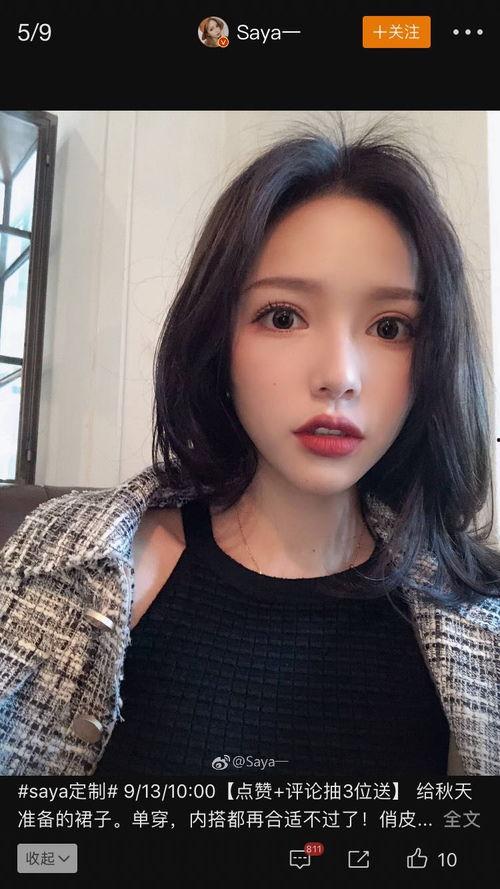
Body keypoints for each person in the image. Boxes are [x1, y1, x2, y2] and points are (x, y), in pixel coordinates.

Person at [1, 123, 499, 777]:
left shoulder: (478, 623)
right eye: (283, 316)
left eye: (390, 326)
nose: (339, 376)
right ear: (217, 339)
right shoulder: (68, 571)